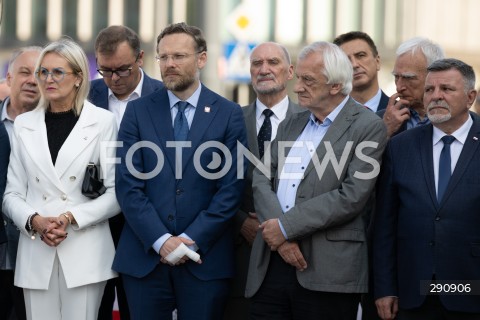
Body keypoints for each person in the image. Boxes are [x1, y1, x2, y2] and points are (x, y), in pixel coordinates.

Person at [113, 22, 247, 320]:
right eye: (163, 57)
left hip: (204, 260)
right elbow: (127, 185)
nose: (169, 64)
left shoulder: (229, 114)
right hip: (145, 258)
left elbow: (230, 189)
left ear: (201, 58)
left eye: (179, 56)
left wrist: (189, 239)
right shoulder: (138, 111)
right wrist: (161, 240)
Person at [245, 41, 387, 320]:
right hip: (271, 263)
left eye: (308, 81)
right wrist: (280, 239)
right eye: (298, 79)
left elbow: (351, 196)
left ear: (335, 86)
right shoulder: (293, 122)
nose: (297, 88)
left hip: (327, 272)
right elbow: (261, 177)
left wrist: (285, 227)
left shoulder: (367, 126)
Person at [2, 38, 120, 320]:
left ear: (79, 77)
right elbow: (11, 195)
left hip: (85, 250)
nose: (47, 79)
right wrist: (35, 221)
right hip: (36, 249)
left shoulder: (103, 122)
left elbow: (116, 194)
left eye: (58, 72)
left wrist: (69, 217)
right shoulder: (23, 124)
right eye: (43, 71)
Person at [374, 58, 480, 320]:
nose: (436, 96)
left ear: (470, 97)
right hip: (413, 292)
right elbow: (385, 223)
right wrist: (385, 288)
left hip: (471, 287)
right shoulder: (401, 146)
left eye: (446, 89)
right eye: (430, 89)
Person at [89, 25, 164, 320]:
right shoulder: (86, 95)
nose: (113, 79)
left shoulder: (163, 96)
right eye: (105, 71)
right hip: (94, 221)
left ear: (141, 58)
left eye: (122, 70)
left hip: (146, 222)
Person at [223, 42, 301, 320]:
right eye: (256, 63)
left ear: (290, 71)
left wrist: (282, 227)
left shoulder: (309, 121)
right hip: (240, 255)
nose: (264, 69)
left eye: (273, 62)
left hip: (296, 253)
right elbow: (209, 182)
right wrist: (242, 221)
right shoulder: (229, 119)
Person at [0, 46, 42, 320]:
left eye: (40, 74)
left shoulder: (59, 128)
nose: (32, 80)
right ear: (8, 78)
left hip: (39, 251)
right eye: (25, 72)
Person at [378, 37, 444, 137]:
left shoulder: (458, 118)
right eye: (396, 77)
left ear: (433, 76)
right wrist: (385, 131)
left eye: (408, 78)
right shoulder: (381, 120)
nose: (399, 87)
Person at [333, 31, 389, 112]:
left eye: (361, 55)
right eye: (346, 60)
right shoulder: (328, 116)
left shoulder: (403, 113)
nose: (354, 65)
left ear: (377, 62)